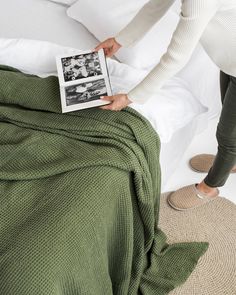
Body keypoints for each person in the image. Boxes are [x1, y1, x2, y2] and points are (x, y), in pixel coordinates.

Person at [94, 0, 236, 210]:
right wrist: (120, 39)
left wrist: (132, 96)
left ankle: (210, 187)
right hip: (230, 61)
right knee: (229, 114)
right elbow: (156, 6)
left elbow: (176, 57)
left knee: (227, 136)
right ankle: (230, 163)